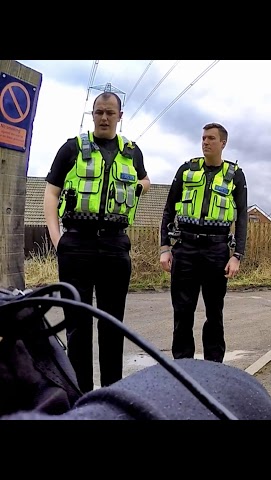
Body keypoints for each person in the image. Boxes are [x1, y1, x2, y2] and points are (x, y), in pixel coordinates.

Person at [43, 91, 150, 393]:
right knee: (77, 326)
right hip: (76, 245)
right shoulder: (71, 149)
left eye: (110, 113)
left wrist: (139, 187)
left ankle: (111, 394)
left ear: (120, 116)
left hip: (116, 246)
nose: (104, 117)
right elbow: (51, 192)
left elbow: (146, 180)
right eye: (99, 112)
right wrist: (56, 238)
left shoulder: (132, 152)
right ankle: (81, 396)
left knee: (112, 326)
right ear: (93, 114)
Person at [159, 122, 248, 363]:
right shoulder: (187, 170)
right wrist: (165, 248)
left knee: (214, 314)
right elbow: (168, 210)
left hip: (216, 250)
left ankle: (213, 368)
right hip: (185, 249)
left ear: (223, 143)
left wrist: (236, 255)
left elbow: (241, 218)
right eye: (203, 138)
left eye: (211, 138)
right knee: (182, 313)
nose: (205, 142)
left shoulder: (235, 176)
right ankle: (183, 367)